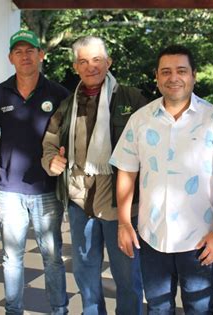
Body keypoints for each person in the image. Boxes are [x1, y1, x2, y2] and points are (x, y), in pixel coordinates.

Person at [110, 45, 213, 314]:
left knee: (200, 308)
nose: (174, 78)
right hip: (151, 237)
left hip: (200, 239)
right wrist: (124, 223)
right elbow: (126, 171)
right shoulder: (139, 120)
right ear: (156, 77)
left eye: (181, 71)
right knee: (158, 309)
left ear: (194, 75)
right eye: (166, 72)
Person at [41, 35, 145, 315]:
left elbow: (151, 145)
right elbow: (49, 142)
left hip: (119, 206)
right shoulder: (66, 105)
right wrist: (51, 160)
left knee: (128, 279)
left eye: (97, 60)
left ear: (108, 62)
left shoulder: (132, 99)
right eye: (84, 62)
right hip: (80, 203)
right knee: (86, 278)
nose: (91, 67)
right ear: (76, 67)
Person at [0, 30, 69, 315]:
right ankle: (13, 310)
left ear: (41, 55)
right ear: (11, 58)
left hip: (47, 190)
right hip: (9, 190)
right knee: (11, 258)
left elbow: (70, 137)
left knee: (53, 258)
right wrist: (3, 151)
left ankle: (59, 309)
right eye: (18, 52)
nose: (25, 56)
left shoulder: (58, 94)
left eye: (30, 50)